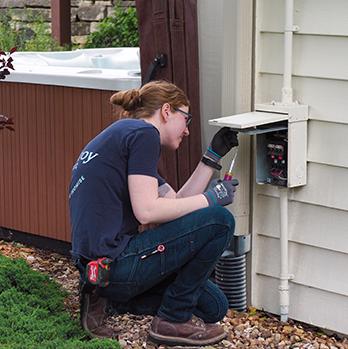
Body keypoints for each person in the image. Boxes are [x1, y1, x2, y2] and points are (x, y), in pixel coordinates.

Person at [69, 80, 239, 346]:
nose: (187, 131)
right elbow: (147, 211)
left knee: (214, 307)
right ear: (166, 111)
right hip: (115, 263)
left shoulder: (124, 136)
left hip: (99, 269)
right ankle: (172, 320)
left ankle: (109, 299)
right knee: (220, 221)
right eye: (187, 119)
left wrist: (211, 157)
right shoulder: (143, 135)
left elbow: (177, 204)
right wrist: (212, 199)